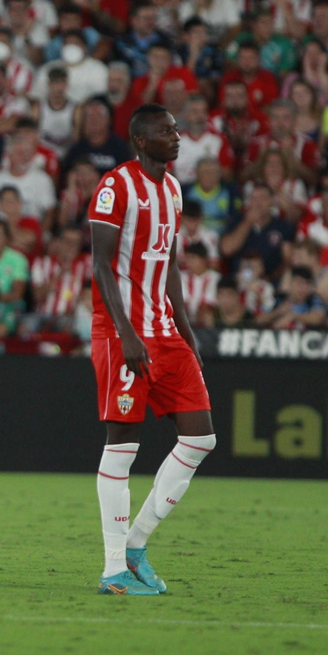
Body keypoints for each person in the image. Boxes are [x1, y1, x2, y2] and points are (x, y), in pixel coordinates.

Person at [87, 103, 215, 596]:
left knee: (201, 439)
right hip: (123, 334)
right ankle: (113, 570)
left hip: (165, 332)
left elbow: (169, 264)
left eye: (176, 128)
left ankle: (136, 544)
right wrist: (125, 333)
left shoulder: (174, 189)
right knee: (121, 448)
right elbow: (101, 265)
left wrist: (186, 331)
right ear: (141, 140)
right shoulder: (116, 186)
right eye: (166, 130)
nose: (177, 136)